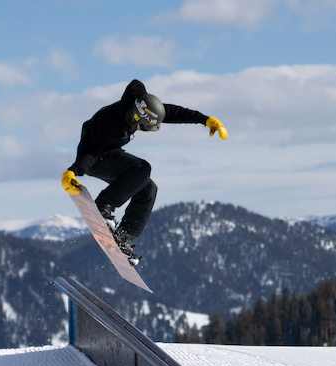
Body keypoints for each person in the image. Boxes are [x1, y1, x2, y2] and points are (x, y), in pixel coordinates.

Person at [61, 79, 227, 265]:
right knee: (142, 169)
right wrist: (73, 171)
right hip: (93, 158)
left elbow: (173, 112)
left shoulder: (143, 106)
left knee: (148, 188)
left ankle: (124, 237)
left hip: (110, 154)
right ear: (136, 118)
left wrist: (204, 120)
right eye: (146, 128)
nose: (144, 131)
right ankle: (103, 206)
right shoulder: (107, 122)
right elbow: (90, 150)